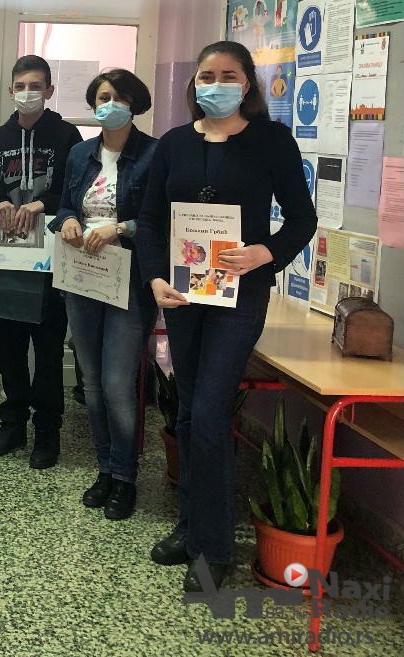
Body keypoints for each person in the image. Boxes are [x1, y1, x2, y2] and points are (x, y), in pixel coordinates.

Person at [135, 41, 317, 592]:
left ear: (248, 83)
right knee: (190, 415)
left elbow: (302, 220)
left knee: (211, 413)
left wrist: (265, 253)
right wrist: (156, 278)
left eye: (228, 75)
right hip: (184, 295)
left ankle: (214, 550)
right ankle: (192, 526)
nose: (216, 84)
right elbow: (150, 221)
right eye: (207, 75)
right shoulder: (173, 144)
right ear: (194, 83)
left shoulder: (271, 141)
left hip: (241, 296)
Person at [52, 69, 157, 519]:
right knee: (92, 384)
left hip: (130, 281)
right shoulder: (80, 153)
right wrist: (66, 221)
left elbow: (161, 218)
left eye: (117, 97)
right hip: (83, 278)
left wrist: (122, 227)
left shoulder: (154, 154)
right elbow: (63, 204)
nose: (108, 104)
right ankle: (105, 470)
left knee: (117, 385)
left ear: (134, 103)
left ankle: (126, 477)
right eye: (101, 97)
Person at [0, 55, 82, 469]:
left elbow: (76, 189)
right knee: (7, 347)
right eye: (21, 86)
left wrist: (43, 204)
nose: (28, 93)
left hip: (52, 258)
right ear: (10, 91)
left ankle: (48, 430)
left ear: (49, 90)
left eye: (36, 86)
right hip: (6, 256)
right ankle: (13, 422)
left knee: (48, 349)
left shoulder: (67, 136)